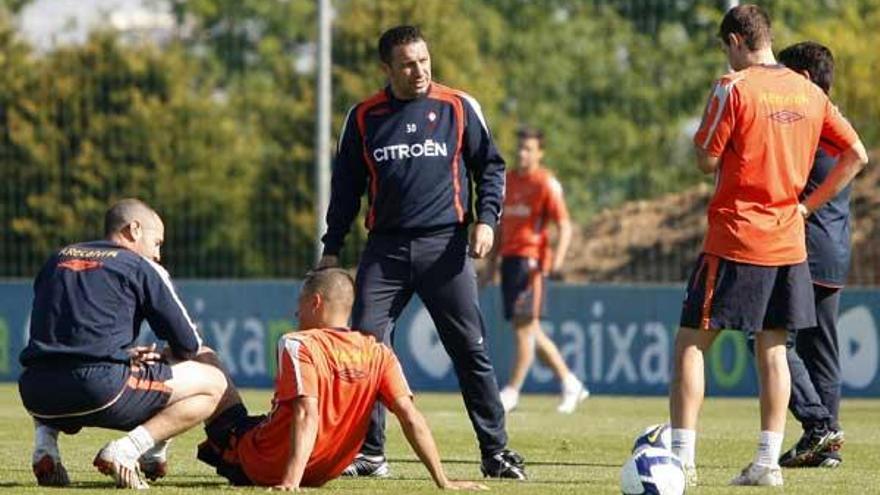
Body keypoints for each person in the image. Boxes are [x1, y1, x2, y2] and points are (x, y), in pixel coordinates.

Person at [670, 4, 868, 488]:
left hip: (737, 235)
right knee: (774, 348)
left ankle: (681, 458)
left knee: (691, 344)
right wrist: (806, 207)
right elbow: (856, 154)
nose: (727, 57)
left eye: (726, 48)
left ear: (737, 41)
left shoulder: (732, 87)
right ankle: (766, 463)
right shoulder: (809, 92)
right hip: (788, 240)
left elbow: (704, 160)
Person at [316, 25, 525, 480]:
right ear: (386, 68)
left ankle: (497, 452)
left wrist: (486, 219)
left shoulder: (458, 106)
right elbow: (345, 189)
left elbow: (489, 167)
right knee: (366, 346)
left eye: (424, 60)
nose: (419, 71)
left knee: (470, 348)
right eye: (408, 63)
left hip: (445, 246)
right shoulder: (363, 116)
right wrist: (331, 248)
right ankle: (370, 454)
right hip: (385, 250)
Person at [196, 268, 489, 491]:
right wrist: (443, 480)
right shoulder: (377, 352)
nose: (296, 311)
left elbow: (305, 412)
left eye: (300, 302)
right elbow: (410, 416)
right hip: (325, 470)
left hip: (266, 463)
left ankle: (153, 448)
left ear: (316, 302)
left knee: (203, 357)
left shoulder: (298, 344)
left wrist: (291, 481)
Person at [18, 198, 237, 489]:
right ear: (134, 230)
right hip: (98, 389)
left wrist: (124, 354)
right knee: (213, 383)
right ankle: (128, 450)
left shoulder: (56, 258)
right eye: (157, 243)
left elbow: (61, 336)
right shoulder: (139, 265)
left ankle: (45, 447)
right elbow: (188, 344)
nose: (158, 255)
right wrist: (161, 355)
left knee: (56, 367)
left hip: (36, 393)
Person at [772, 41, 849, 469]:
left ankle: (818, 426)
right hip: (834, 249)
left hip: (803, 247)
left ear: (801, 79)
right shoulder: (836, 122)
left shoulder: (808, 123)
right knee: (821, 349)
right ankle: (828, 448)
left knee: (767, 337)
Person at [480, 127, 587, 414]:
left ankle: (512, 391)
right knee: (528, 329)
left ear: (540, 153)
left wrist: (557, 260)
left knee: (524, 329)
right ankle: (570, 382)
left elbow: (564, 224)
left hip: (532, 263)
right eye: (519, 148)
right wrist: (490, 266)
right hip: (510, 261)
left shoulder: (545, 184)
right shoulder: (507, 181)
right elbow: (500, 228)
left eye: (528, 149)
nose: (522, 153)